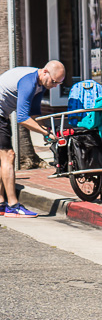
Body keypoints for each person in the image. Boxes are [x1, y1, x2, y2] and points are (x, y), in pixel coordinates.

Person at [0, 59, 65, 216]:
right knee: (9, 156)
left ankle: (1, 204)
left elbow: (34, 113)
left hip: (2, 115)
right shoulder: (29, 82)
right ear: (45, 72)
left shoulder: (40, 85)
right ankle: (13, 206)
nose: (55, 86)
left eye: (59, 83)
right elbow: (22, 118)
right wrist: (45, 133)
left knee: (3, 159)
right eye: (54, 81)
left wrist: (47, 130)